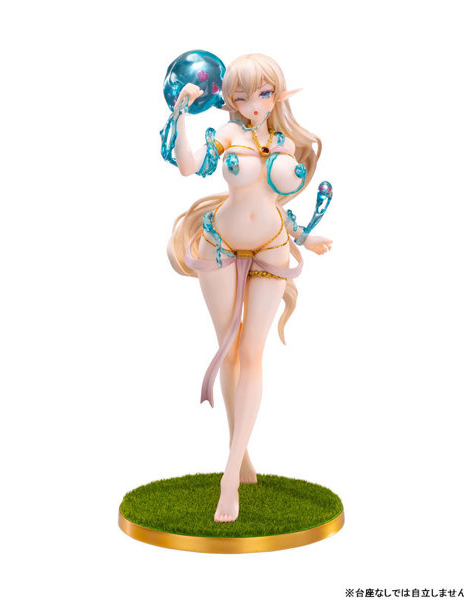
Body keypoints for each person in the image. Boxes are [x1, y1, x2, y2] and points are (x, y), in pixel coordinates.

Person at [166, 53, 332, 522]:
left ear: (275, 94)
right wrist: (180, 117)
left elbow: (276, 201)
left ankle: (230, 472)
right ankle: (240, 455)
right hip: (220, 245)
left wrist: (305, 237)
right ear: (230, 99)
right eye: (239, 96)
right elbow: (188, 166)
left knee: (253, 353)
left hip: (272, 248)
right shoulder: (227, 134)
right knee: (230, 350)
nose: (251, 104)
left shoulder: (283, 141)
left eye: (261, 93)